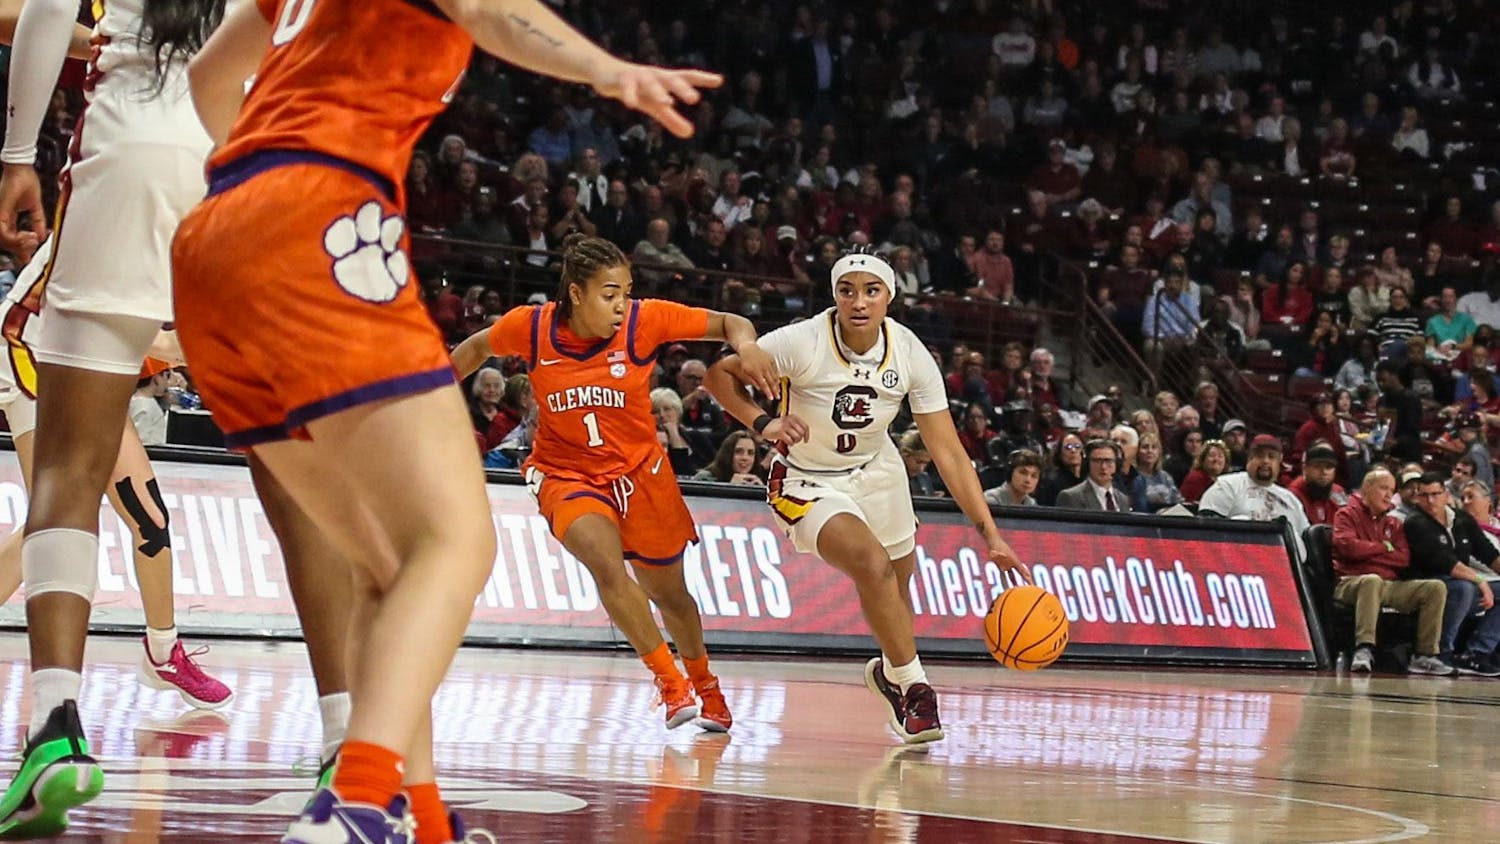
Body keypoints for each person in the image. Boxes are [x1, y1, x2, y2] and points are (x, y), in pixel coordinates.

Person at [175, 2, 725, 841]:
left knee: (388, 565)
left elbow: (209, 80)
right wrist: (607, 71)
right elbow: (487, 8)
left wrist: (257, 199)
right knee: (457, 541)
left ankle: (419, 817)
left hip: (212, 238)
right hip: (324, 217)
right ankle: (356, 803)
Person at [0, 0, 232, 833]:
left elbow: (40, 16)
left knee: (77, 493)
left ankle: (58, 726)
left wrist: (17, 153)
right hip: (228, 156)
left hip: (123, 157)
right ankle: (349, 745)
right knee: (276, 474)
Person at [454, 233, 775, 736]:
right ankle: (670, 683)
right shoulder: (532, 327)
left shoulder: (645, 320)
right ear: (576, 293)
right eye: (609, 294)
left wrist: (748, 344)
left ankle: (705, 682)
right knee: (605, 566)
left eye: (626, 291)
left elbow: (730, 322)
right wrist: (427, 390)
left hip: (639, 472)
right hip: (565, 471)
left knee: (673, 597)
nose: (622, 305)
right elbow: (475, 348)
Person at [705, 251, 1027, 743]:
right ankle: (918, 689)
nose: (859, 301)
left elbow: (948, 451)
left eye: (871, 290)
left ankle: (890, 676)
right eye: (847, 290)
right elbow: (717, 376)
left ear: (889, 298)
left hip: (878, 470)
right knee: (871, 565)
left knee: (897, 590)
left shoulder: (910, 351)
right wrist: (764, 423)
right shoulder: (801, 341)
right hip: (806, 477)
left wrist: (991, 535)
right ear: (834, 296)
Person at [1331, 468, 1452, 675]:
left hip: (1388, 585)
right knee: (1371, 580)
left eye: (1392, 490)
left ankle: (1425, 655)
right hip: (1350, 583)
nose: (1389, 495)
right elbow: (1347, 547)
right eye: (1383, 489)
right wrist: (1384, 547)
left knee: (1435, 587)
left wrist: (1368, 550)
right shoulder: (1346, 514)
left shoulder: (1394, 522)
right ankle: (1364, 649)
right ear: (1366, 489)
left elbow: (1402, 558)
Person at [1401, 474, 1500, 675]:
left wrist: (1482, 583)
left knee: (1468, 587)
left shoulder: (1461, 519)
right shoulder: (1415, 522)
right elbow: (1447, 563)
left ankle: (1476, 653)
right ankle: (1436, 654)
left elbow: (1489, 554)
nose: (1430, 500)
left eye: (1435, 494)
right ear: (1417, 497)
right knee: (1462, 588)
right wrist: (1481, 583)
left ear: (1446, 494)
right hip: (1427, 585)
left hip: (1464, 585)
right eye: (1424, 495)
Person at [1198, 436, 1311, 556]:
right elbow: (1207, 530)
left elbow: (1305, 543)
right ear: (1249, 458)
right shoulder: (1227, 485)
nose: (1266, 461)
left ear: (1279, 462)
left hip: (1283, 567)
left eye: (1271, 456)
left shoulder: (1290, 500)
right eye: (1260, 455)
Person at [1055, 440, 1125, 511]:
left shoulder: (1123, 499)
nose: (1103, 467)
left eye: (1108, 461)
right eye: (1097, 461)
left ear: (1117, 464)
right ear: (1087, 464)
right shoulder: (1070, 497)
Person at [1288, 443, 1348, 526]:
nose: (1324, 472)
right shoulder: (1293, 494)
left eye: (1329, 467)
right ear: (1305, 468)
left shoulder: (1337, 491)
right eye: (1317, 467)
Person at [1131, 432, 1181, 513]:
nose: (1150, 451)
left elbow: (1177, 500)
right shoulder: (1133, 476)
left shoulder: (1165, 476)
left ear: (1159, 452)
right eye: (1145, 447)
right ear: (1137, 451)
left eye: (1154, 447)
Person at [692, 430, 764, 485]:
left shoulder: (756, 480)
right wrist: (731, 487)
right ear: (727, 454)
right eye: (738, 452)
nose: (745, 458)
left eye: (750, 453)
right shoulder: (704, 478)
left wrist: (762, 492)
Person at [1178, 438, 1229, 505]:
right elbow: (1187, 504)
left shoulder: (1227, 481)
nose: (1216, 459)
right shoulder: (1195, 478)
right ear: (1202, 460)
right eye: (1212, 455)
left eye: (1220, 456)